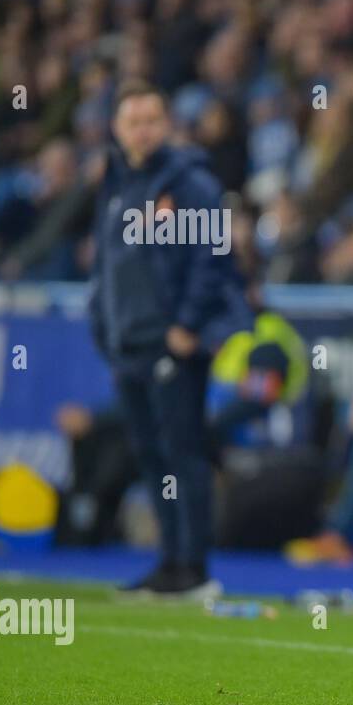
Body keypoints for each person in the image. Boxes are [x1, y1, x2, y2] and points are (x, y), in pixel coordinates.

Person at [90, 81, 251, 596]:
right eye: (132, 121)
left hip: (172, 343)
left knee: (183, 452)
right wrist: (104, 325)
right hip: (129, 341)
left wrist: (187, 324)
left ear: (166, 125)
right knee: (151, 457)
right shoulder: (115, 182)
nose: (142, 130)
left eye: (151, 120)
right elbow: (107, 266)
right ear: (116, 128)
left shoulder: (188, 182)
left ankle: (195, 568)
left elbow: (214, 255)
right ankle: (168, 561)